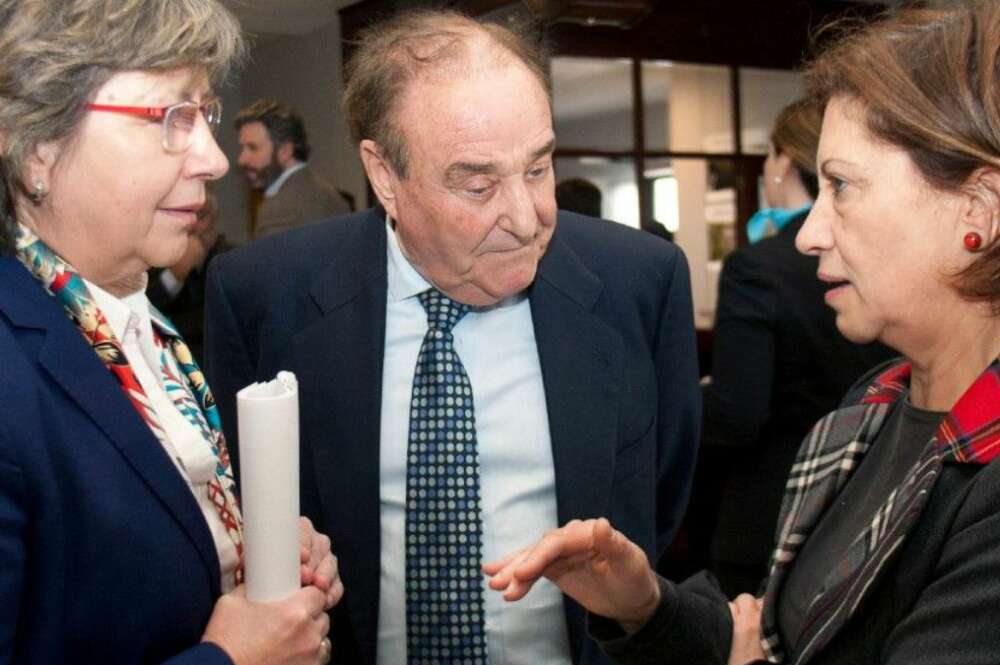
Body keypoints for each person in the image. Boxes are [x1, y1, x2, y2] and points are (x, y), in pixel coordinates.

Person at [487, 3, 1000, 664]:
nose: (810, 234)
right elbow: (784, 639)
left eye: (842, 186)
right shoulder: (868, 410)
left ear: (978, 210)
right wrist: (645, 603)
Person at [203, 8, 700, 665]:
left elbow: (662, 502)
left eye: (538, 168)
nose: (526, 218)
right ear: (384, 176)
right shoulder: (263, 295)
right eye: (478, 183)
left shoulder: (641, 282)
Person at [0, 1, 343, 663]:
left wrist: (249, 549)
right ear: (39, 143)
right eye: (171, 117)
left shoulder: (137, 326)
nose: (212, 159)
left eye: (204, 116)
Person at [694, 99, 893, 596]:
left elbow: (737, 413)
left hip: (775, 508)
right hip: (873, 501)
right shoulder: (881, 254)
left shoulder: (758, 266)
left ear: (784, 160)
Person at [234, 99, 350, 239]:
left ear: (285, 151)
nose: (242, 159)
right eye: (242, 148)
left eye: (253, 148)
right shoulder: (330, 194)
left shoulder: (278, 211)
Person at [148, 186, 232, 364]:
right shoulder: (158, 257)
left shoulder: (232, 258)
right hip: (170, 356)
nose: (193, 224)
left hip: (216, 356)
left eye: (201, 216)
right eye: (186, 214)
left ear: (214, 218)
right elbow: (148, 307)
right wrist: (174, 276)